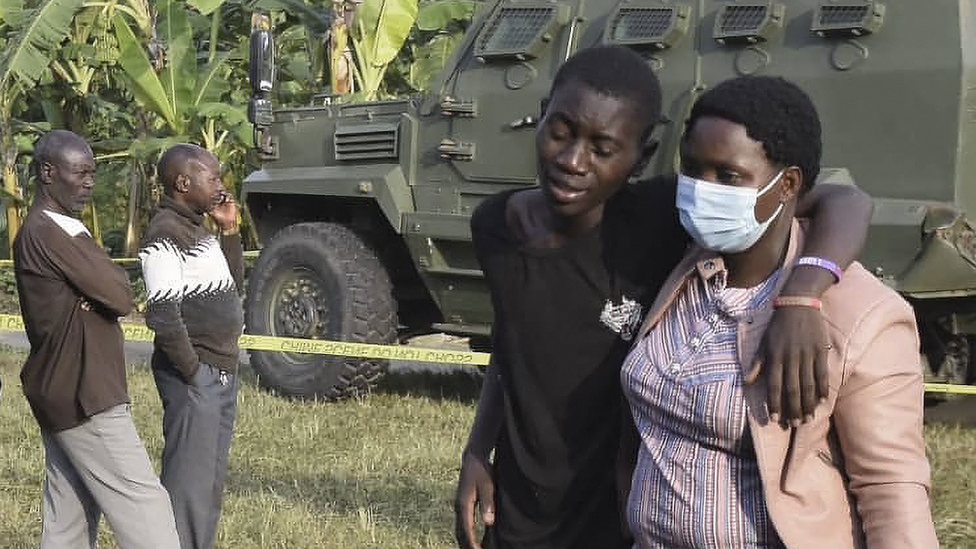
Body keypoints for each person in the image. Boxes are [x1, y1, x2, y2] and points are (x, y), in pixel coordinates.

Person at [455, 47, 874, 549]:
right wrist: (479, 448)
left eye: (603, 148)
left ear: (642, 156)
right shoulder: (496, 227)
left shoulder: (663, 219)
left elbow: (846, 200)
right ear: (542, 115)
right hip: (521, 507)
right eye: (561, 131)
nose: (572, 160)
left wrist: (803, 294)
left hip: (619, 511)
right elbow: (510, 343)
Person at [623, 75, 938, 549]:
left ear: (788, 183)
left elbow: (890, 489)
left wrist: (800, 295)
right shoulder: (687, 260)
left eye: (728, 176)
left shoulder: (861, 316)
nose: (701, 191)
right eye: (692, 168)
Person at [14, 130, 180, 549]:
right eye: (80, 173)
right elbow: (122, 295)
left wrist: (101, 290)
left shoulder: (60, 227)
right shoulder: (49, 231)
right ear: (48, 173)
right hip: (84, 394)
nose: (90, 183)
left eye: (93, 173)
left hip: (61, 390)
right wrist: (101, 292)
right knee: (145, 505)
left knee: (68, 516)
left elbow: (111, 287)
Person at [139, 144, 244, 549]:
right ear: (183, 183)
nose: (220, 186)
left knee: (208, 483)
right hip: (196, 375)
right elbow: (163, 316)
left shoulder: (199, 229)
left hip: (220, 372)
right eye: (212, 178)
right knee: (188, 490)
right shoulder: (165, 234)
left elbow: (231, 287)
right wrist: (196, 375)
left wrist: (230, 230)